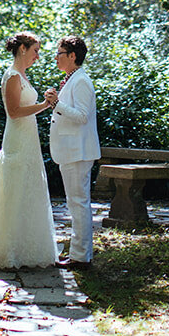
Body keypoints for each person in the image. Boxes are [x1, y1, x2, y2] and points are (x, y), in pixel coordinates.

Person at [0, 32, 60, 270]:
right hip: (17, 139)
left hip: (28, 138)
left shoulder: (22, 76)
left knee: (27, 187)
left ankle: (25, 247)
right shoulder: (12, 76)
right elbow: (14, 112)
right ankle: (6, 249)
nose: (38, 56)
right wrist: (45, 105)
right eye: (35, 50)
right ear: (23, 49)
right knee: (13, 188)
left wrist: (43, 104)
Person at [46, 34, 100, 269]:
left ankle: (81, 257)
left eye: (59, 54)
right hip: (71, 150)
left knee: (79, 202)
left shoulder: (81, 81)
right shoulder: (71, 79)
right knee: (75, 202)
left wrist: (57, 104)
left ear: (72, 56)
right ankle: (79, 253)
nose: (56, 59)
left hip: (78, 151)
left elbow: (81, 116)